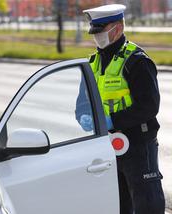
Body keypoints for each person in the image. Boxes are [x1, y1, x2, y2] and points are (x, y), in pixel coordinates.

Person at [76, 4, 165, 214]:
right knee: (119, 204)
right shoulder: (92, 63)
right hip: (106, 146)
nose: (96, 37)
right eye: (94, 33)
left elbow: (149, 106)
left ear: (116, 29)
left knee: (147, 204)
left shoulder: (136, 61)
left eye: (100, 31)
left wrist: (112, 120)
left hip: (137, 145)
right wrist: (83, 117)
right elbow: (81, 103)